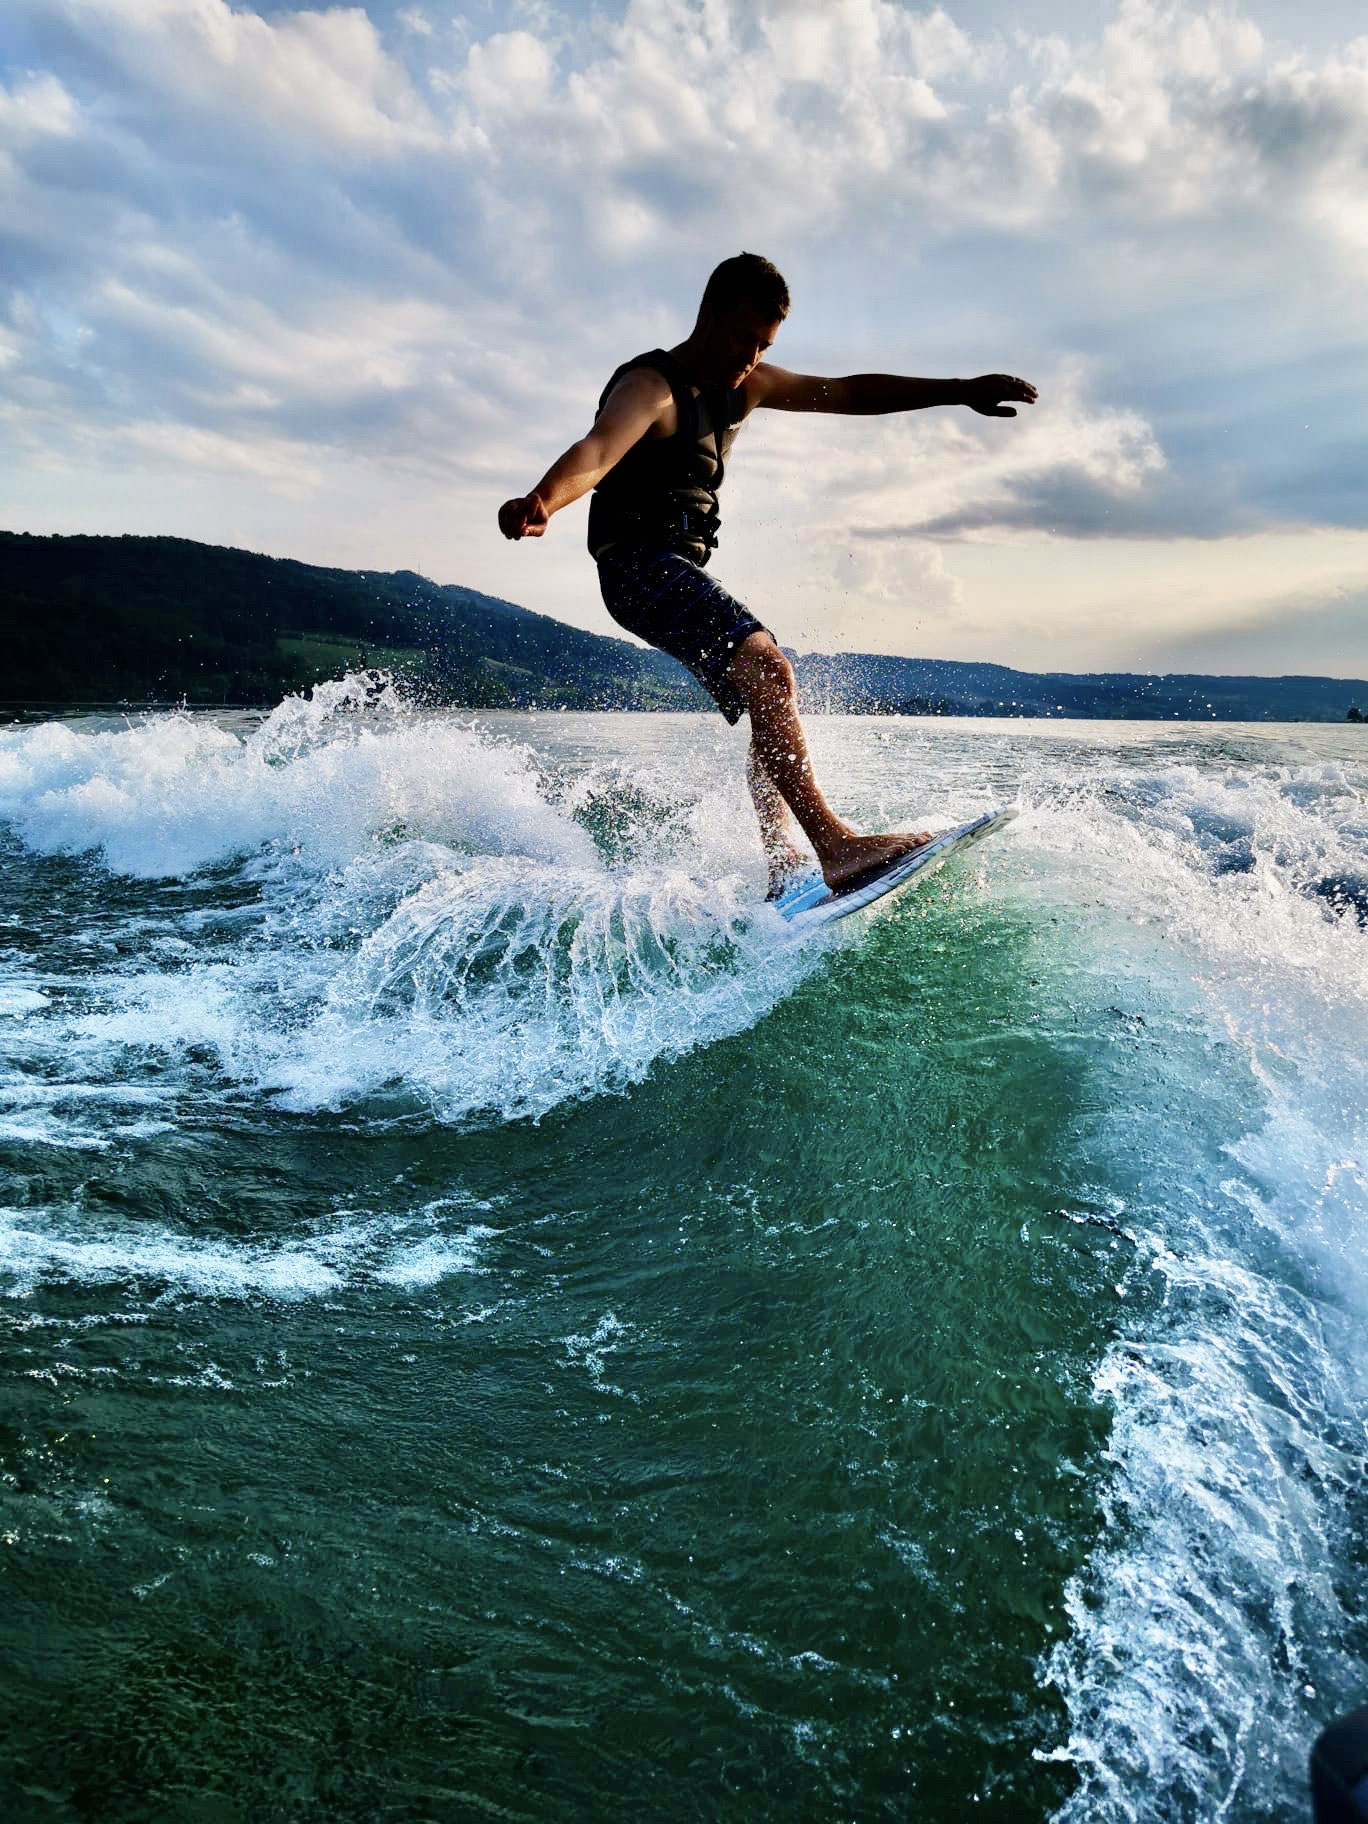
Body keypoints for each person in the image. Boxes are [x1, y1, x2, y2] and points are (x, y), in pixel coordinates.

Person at [498, 253, 1036, 898]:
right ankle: (836, 846)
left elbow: (849, 393)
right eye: (741, 339)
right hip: (636, 567)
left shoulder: (748, 385)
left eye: (764, 346)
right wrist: (544, 499)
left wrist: (959, 390)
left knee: (770, 691)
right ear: (708, 315)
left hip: (673, 567)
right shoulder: (652, 389)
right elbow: (598, 449)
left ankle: (784, 864)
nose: (750, 358)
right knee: (770, 669)